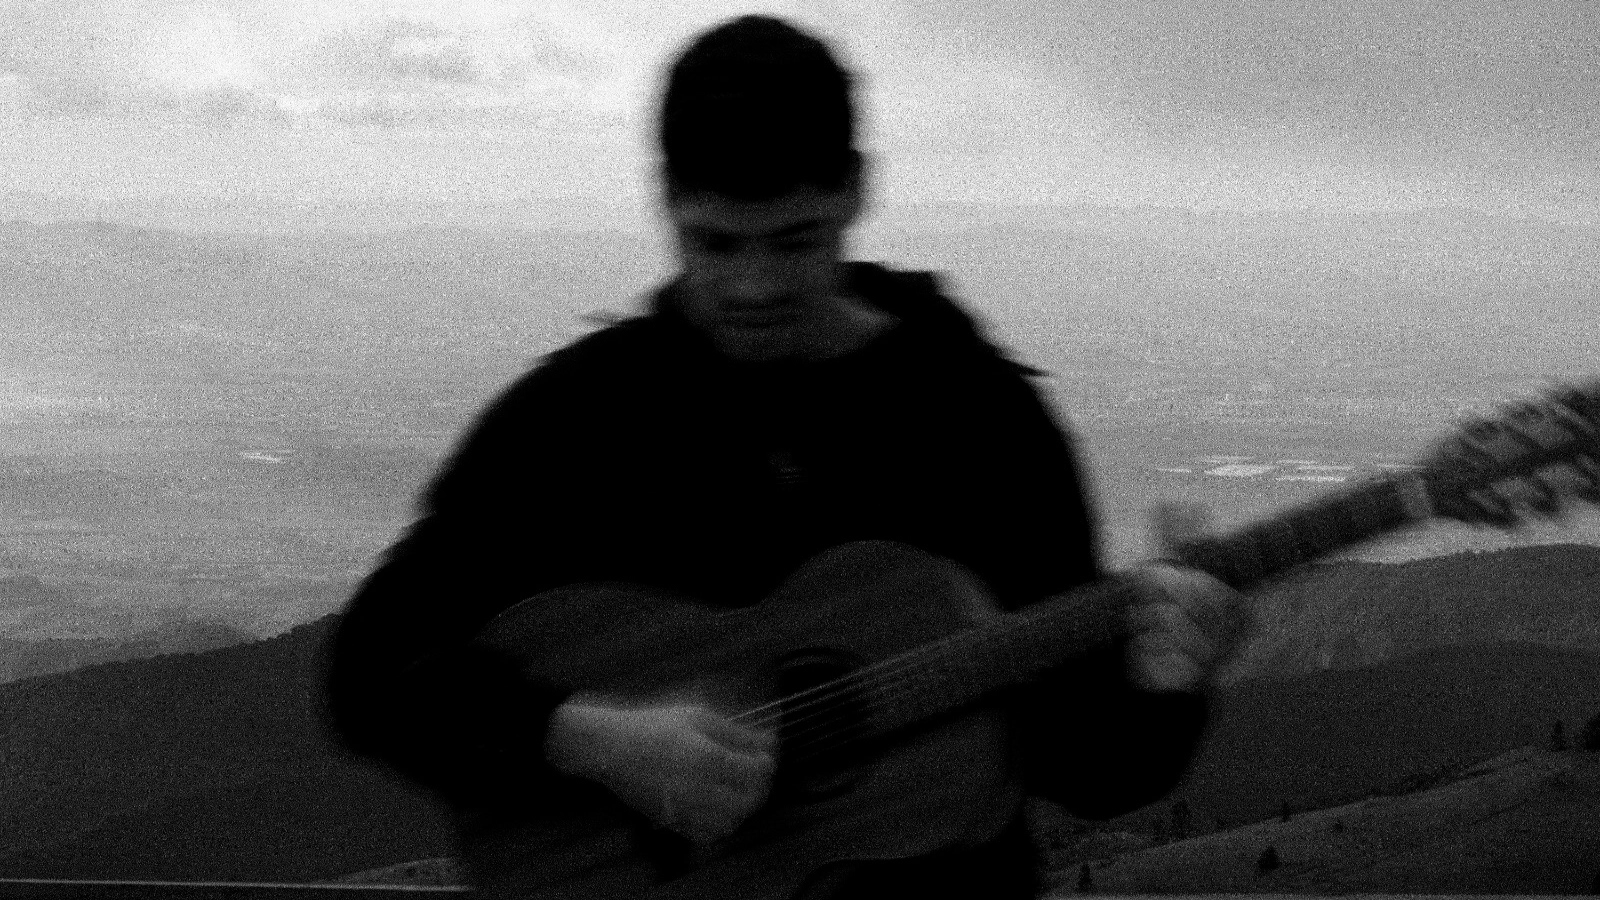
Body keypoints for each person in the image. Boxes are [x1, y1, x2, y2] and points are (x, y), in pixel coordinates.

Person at [324, 14, 1248, 899]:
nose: (753, 285)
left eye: (794, 242)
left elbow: (1088, 768)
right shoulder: (582, 418)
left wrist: (1164, 688)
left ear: (852, 193)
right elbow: (369, 669)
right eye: (716, 243)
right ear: (668, 203)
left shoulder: (976, 419)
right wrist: (590, 739)